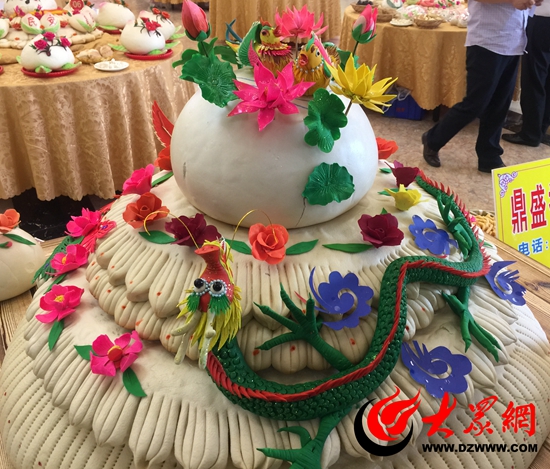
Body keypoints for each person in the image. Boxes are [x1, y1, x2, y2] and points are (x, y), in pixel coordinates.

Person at [421, 0, 540, 173]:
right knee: (475, 103)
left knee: (500, 104)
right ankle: (432, 139)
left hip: (513, 42)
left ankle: (489, 156)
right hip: (487, 42)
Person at [502, 2, 550, 147]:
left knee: (534, 78)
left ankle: (530, 133)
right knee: (546, 80)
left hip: (543, 19)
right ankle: (541, 129)